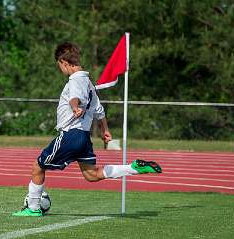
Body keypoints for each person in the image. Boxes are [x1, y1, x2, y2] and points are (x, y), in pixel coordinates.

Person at [13, 42, 162, 217]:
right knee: (92, 174)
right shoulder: (89, 84)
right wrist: (105, 130)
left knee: (38, 167)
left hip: (70, 134)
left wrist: (75, 107)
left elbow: (75, 97)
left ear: (64, 62)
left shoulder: (76, 79)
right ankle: (134, 168)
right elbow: (99, 111)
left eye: (59, 66)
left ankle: (33, 208)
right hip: (83, 137)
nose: (60, 69)